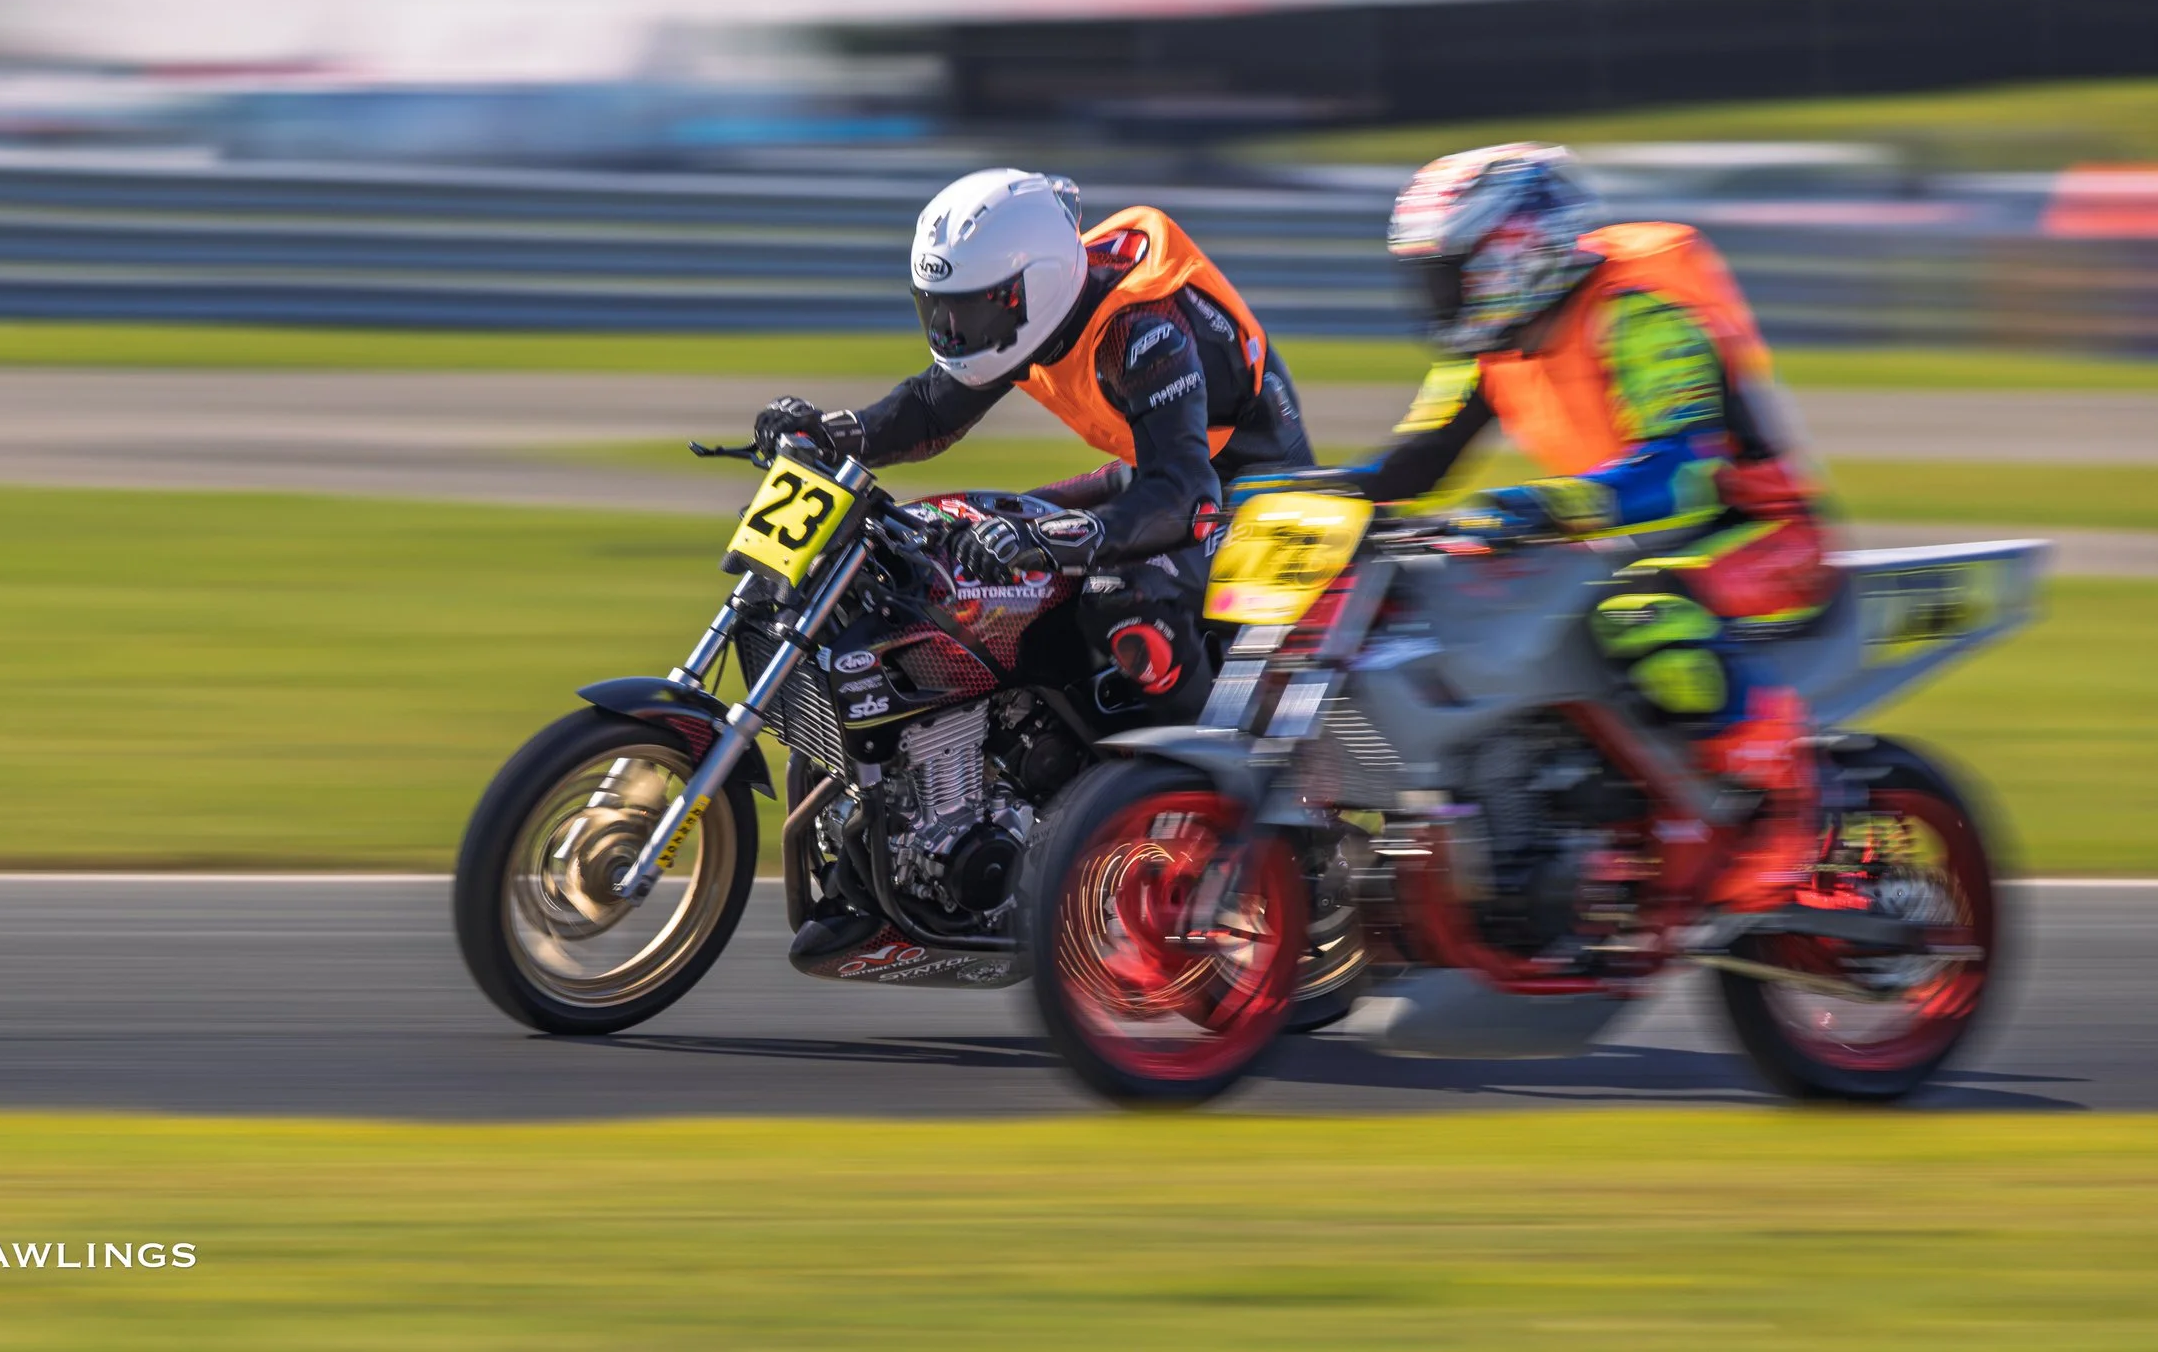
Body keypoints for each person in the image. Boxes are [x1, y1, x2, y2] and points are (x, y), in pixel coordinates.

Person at [1332, 142, 1837, 910]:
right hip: (1627, 535)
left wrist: (1542, 504)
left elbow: (1680, 472)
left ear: (1516, 249)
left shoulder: (1639, 318)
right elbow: (1417, 462)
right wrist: (1306, 492)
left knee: (1643, 612)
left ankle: (1787, 806)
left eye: (1450, 271)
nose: (1437, 294)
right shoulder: (1491, 345)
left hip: (1756, 533)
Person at [754, 168, 1313, 716]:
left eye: (967, 312)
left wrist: (1052, 536)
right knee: (950, 542)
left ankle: (1211, 778)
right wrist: (827, 432)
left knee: (1115, 594)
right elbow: (927, 412)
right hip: (1157, 473)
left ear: (1035, 285)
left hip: (1246, 491)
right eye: (939, 309)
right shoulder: (1023, 317)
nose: (952, 333)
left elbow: (1186, 499)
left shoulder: (1142, 333)